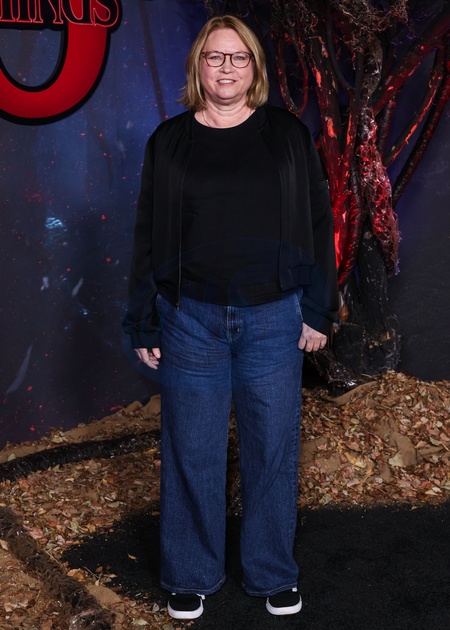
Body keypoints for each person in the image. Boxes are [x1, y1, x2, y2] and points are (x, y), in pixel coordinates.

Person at [123, 14, 338, 621]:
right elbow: (147, 233)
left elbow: (319, 222)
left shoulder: (287, 136)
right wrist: (143, 319)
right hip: (189, 320)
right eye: (215, 56)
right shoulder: (169, 141)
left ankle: (272, 573)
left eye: (239, 57)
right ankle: (191, 573)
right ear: (199, 65)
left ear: (254, 68)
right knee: (191, 449)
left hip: (274, 317)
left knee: (272, 449)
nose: (226, 67)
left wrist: (318, 308)